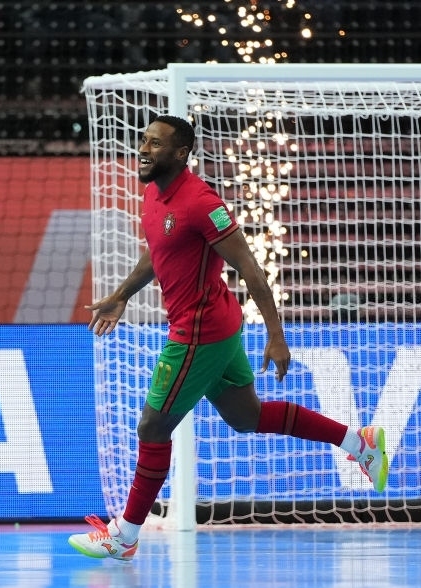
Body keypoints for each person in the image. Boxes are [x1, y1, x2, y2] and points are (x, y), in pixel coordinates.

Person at [68, 115, 389, 560]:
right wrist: (121, 294)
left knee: (153, 425)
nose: (144, 149)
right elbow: (157, 252)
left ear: (180, 154)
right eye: (143, 140)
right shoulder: (151, 194)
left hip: (199, 332)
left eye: (155, 143)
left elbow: (252, 270)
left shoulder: (202, 202)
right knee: (246, 417)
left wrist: (277, 336)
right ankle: (359, 442)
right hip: (216, 325)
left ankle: (125, 535)